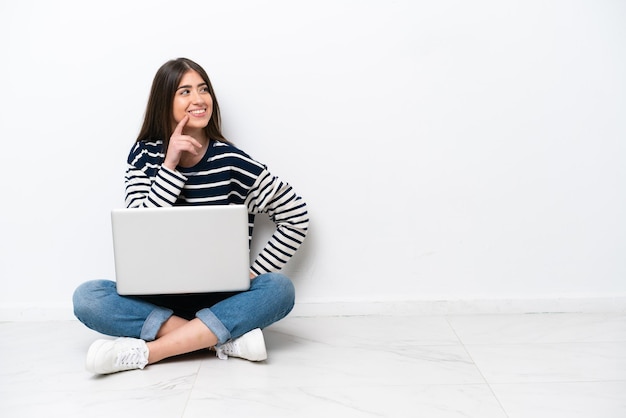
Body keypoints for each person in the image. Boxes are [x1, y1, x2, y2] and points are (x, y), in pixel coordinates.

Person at [72, 58, 309, 375]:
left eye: (203, 89)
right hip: (157, 300)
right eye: (185, 91)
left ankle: (149, 353)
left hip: (223, 298)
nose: (199, 99)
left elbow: (295, 215)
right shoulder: (145, 155)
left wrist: (254, 273)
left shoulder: (231, 160)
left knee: (279, 289)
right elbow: (140, 228)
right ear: (165, 102)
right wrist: (169, 167)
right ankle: (221, 340)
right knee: (88, 297)